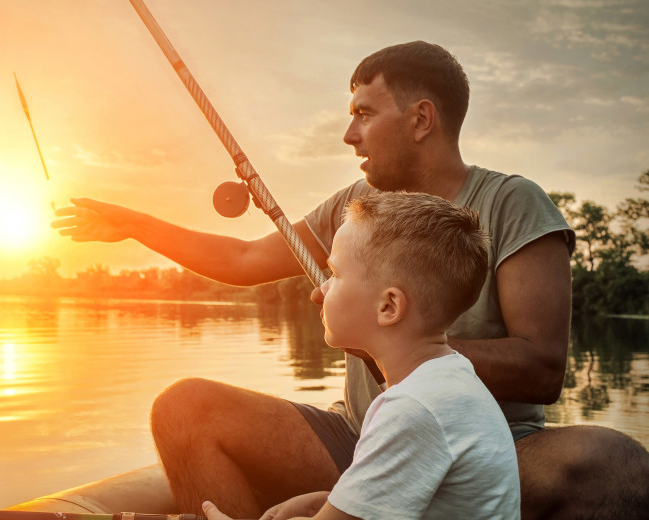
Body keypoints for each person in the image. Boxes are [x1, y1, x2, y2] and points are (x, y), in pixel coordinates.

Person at [52, 41, 649, 519]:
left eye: (365, 113)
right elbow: (241, 262)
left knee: (610, 459)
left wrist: (395, 345)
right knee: (185, 408)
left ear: (421, 119)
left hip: (484, 444)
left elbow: (542, 368)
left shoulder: (512, 202)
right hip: (358, 433)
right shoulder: (357, 204)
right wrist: (131, 225)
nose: (349, 134)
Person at [203, 191, 521, 520]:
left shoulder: (413, 409)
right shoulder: (451, 381)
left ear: (388, 307)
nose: (320, 289)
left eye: (336, 275)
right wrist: (326, 503)